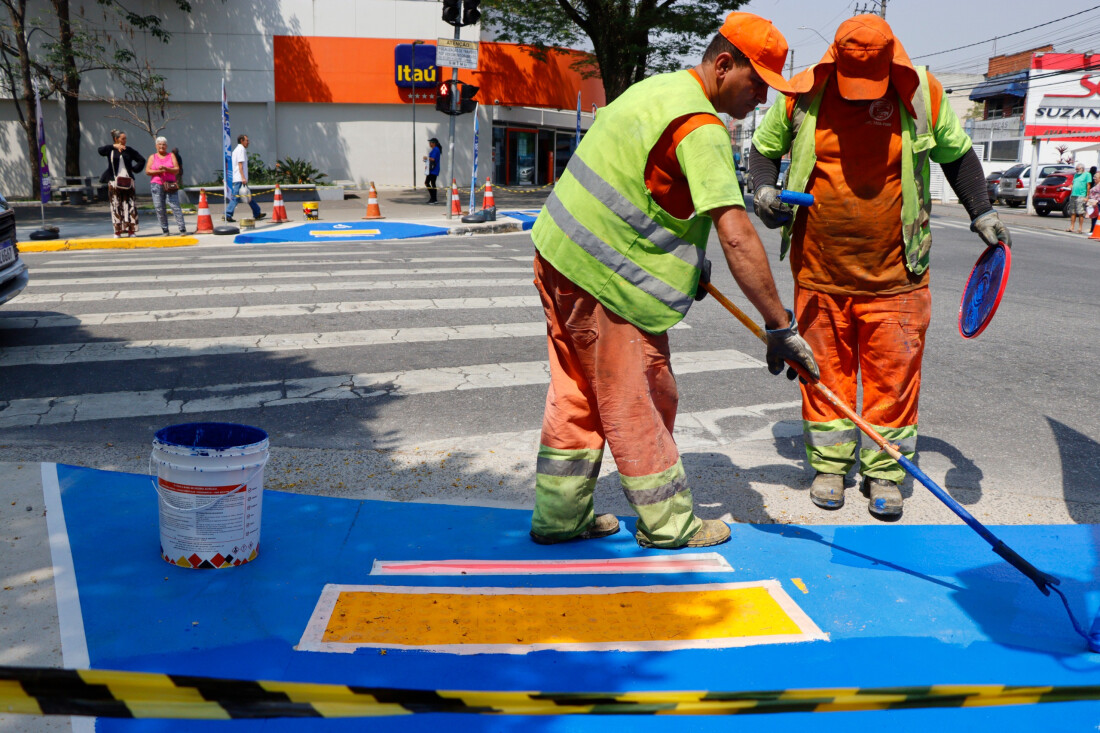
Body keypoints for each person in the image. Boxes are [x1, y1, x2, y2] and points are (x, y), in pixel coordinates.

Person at [528, 12, 820, 550]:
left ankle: (559, 515)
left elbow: (644, 186)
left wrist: (688, 259)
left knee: (577, 390)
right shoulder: (702, 127)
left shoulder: (655, 91)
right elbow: (738, 237)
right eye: (758, 84)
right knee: (639, 393)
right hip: (604, 282)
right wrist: (779, 326)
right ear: (724, 64)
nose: (762, 99)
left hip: (559, 255)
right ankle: (668, 524)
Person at [750, 14, 1010, 519]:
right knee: (823, 375)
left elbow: (958, 158)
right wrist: (762, 190)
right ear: (835, 63)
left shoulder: (922, 94)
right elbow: (763, 152)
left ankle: (886, 472)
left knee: (894, 379)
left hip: (899, 275)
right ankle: (829, 464)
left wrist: (983, 210)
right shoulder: (802, 94)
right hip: (820, 270)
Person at [98, 130, 145, 238]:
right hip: (114, 181)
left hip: (128, 181)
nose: (125, 140)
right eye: (122, 138)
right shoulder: (110, 150)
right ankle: (117, 231)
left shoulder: (129, 150)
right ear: (116, 139)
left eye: (125, 138)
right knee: (115, 205)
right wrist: (113, 146)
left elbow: (141, 160)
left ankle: (131, 230)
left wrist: (134, 169)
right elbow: (100, 150)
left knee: (130, 206)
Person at [145, 136, 186, 235]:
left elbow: (177, 169)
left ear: (166, 146)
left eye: (163, 144)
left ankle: (182, 228)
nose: (161, 146)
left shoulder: (171, 155)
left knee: (175, 206)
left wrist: (167, 169)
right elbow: (147, 171)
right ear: (156, 146)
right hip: (156, 184)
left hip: (170, 184)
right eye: (159, 144)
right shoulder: (152, 157)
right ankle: (165, 229)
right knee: (159, 207)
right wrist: (159, 171)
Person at [226, 134, 265, 223]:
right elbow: (240, 165)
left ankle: (257, 212)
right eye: (247, 140)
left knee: (248, 196)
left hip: (239, 177)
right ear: (241, 141)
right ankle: (227, 214)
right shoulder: (241, 150)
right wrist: (243, 177)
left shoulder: (237, 149)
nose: (248, 142)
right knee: (236, 197)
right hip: (240, 178)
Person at [1067, 162, 1091, 234]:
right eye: (1076, 169)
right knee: (1072, 212)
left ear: (1082, 168)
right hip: (1073, 194)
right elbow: (1073, 183)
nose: (1076, 170)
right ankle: (1072, 227)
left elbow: (1088, 185)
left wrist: (1087, 196)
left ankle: (1080, 228)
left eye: (1077, 169)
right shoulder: (1076, 175)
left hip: (1081, 195)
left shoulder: (1087, 174)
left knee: (1080, 212)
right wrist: (1069, 187)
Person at [423, 138, 441, 204]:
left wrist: (426, 158)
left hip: (433, 170)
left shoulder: (436, 149)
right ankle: (434, 199)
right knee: (432, 183)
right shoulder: (435, 149)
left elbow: (433, 159)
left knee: (427, 182)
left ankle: (433, 199)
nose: (429, 144)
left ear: (434, 143)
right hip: (432, 169)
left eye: (430, 142)